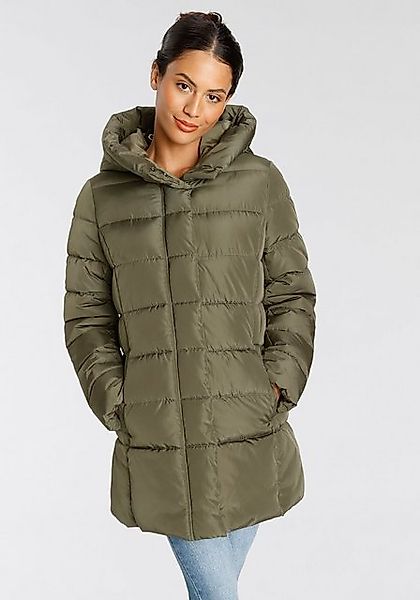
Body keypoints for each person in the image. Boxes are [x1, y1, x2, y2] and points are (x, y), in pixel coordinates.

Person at [63, 10, 317, 599]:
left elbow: (291, 293)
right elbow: (86, 315)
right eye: (183, 84)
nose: (194, 108)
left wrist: (278, 386)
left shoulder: (260, 184)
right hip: (162, 434)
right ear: (156, 74)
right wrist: (121, 402)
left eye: (214, 96)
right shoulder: (102, 198)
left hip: (249, 427)